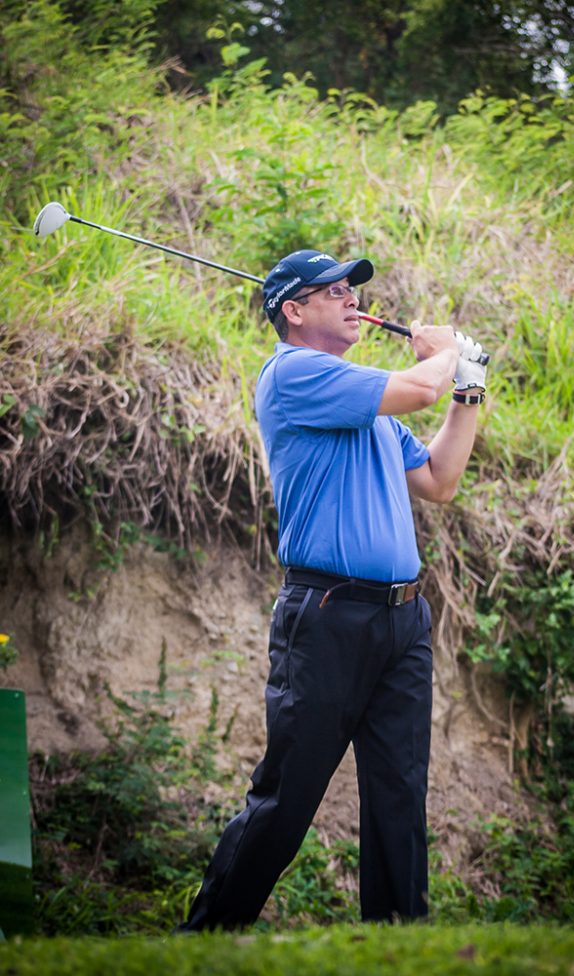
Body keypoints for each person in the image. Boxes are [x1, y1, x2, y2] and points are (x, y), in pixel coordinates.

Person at [180, 248, 486, 931]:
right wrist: (445, 354)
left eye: (354, 291)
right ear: (293, 310)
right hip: (326, 615)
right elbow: (420, 388)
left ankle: (396, 945)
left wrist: (468, 386)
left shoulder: (368, 404)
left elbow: (439, 481)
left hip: (402, 620)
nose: (354, 300)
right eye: (335, 291)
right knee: (287, 797)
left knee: (399, 793)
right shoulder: (293, 374)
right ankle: (205, 937)